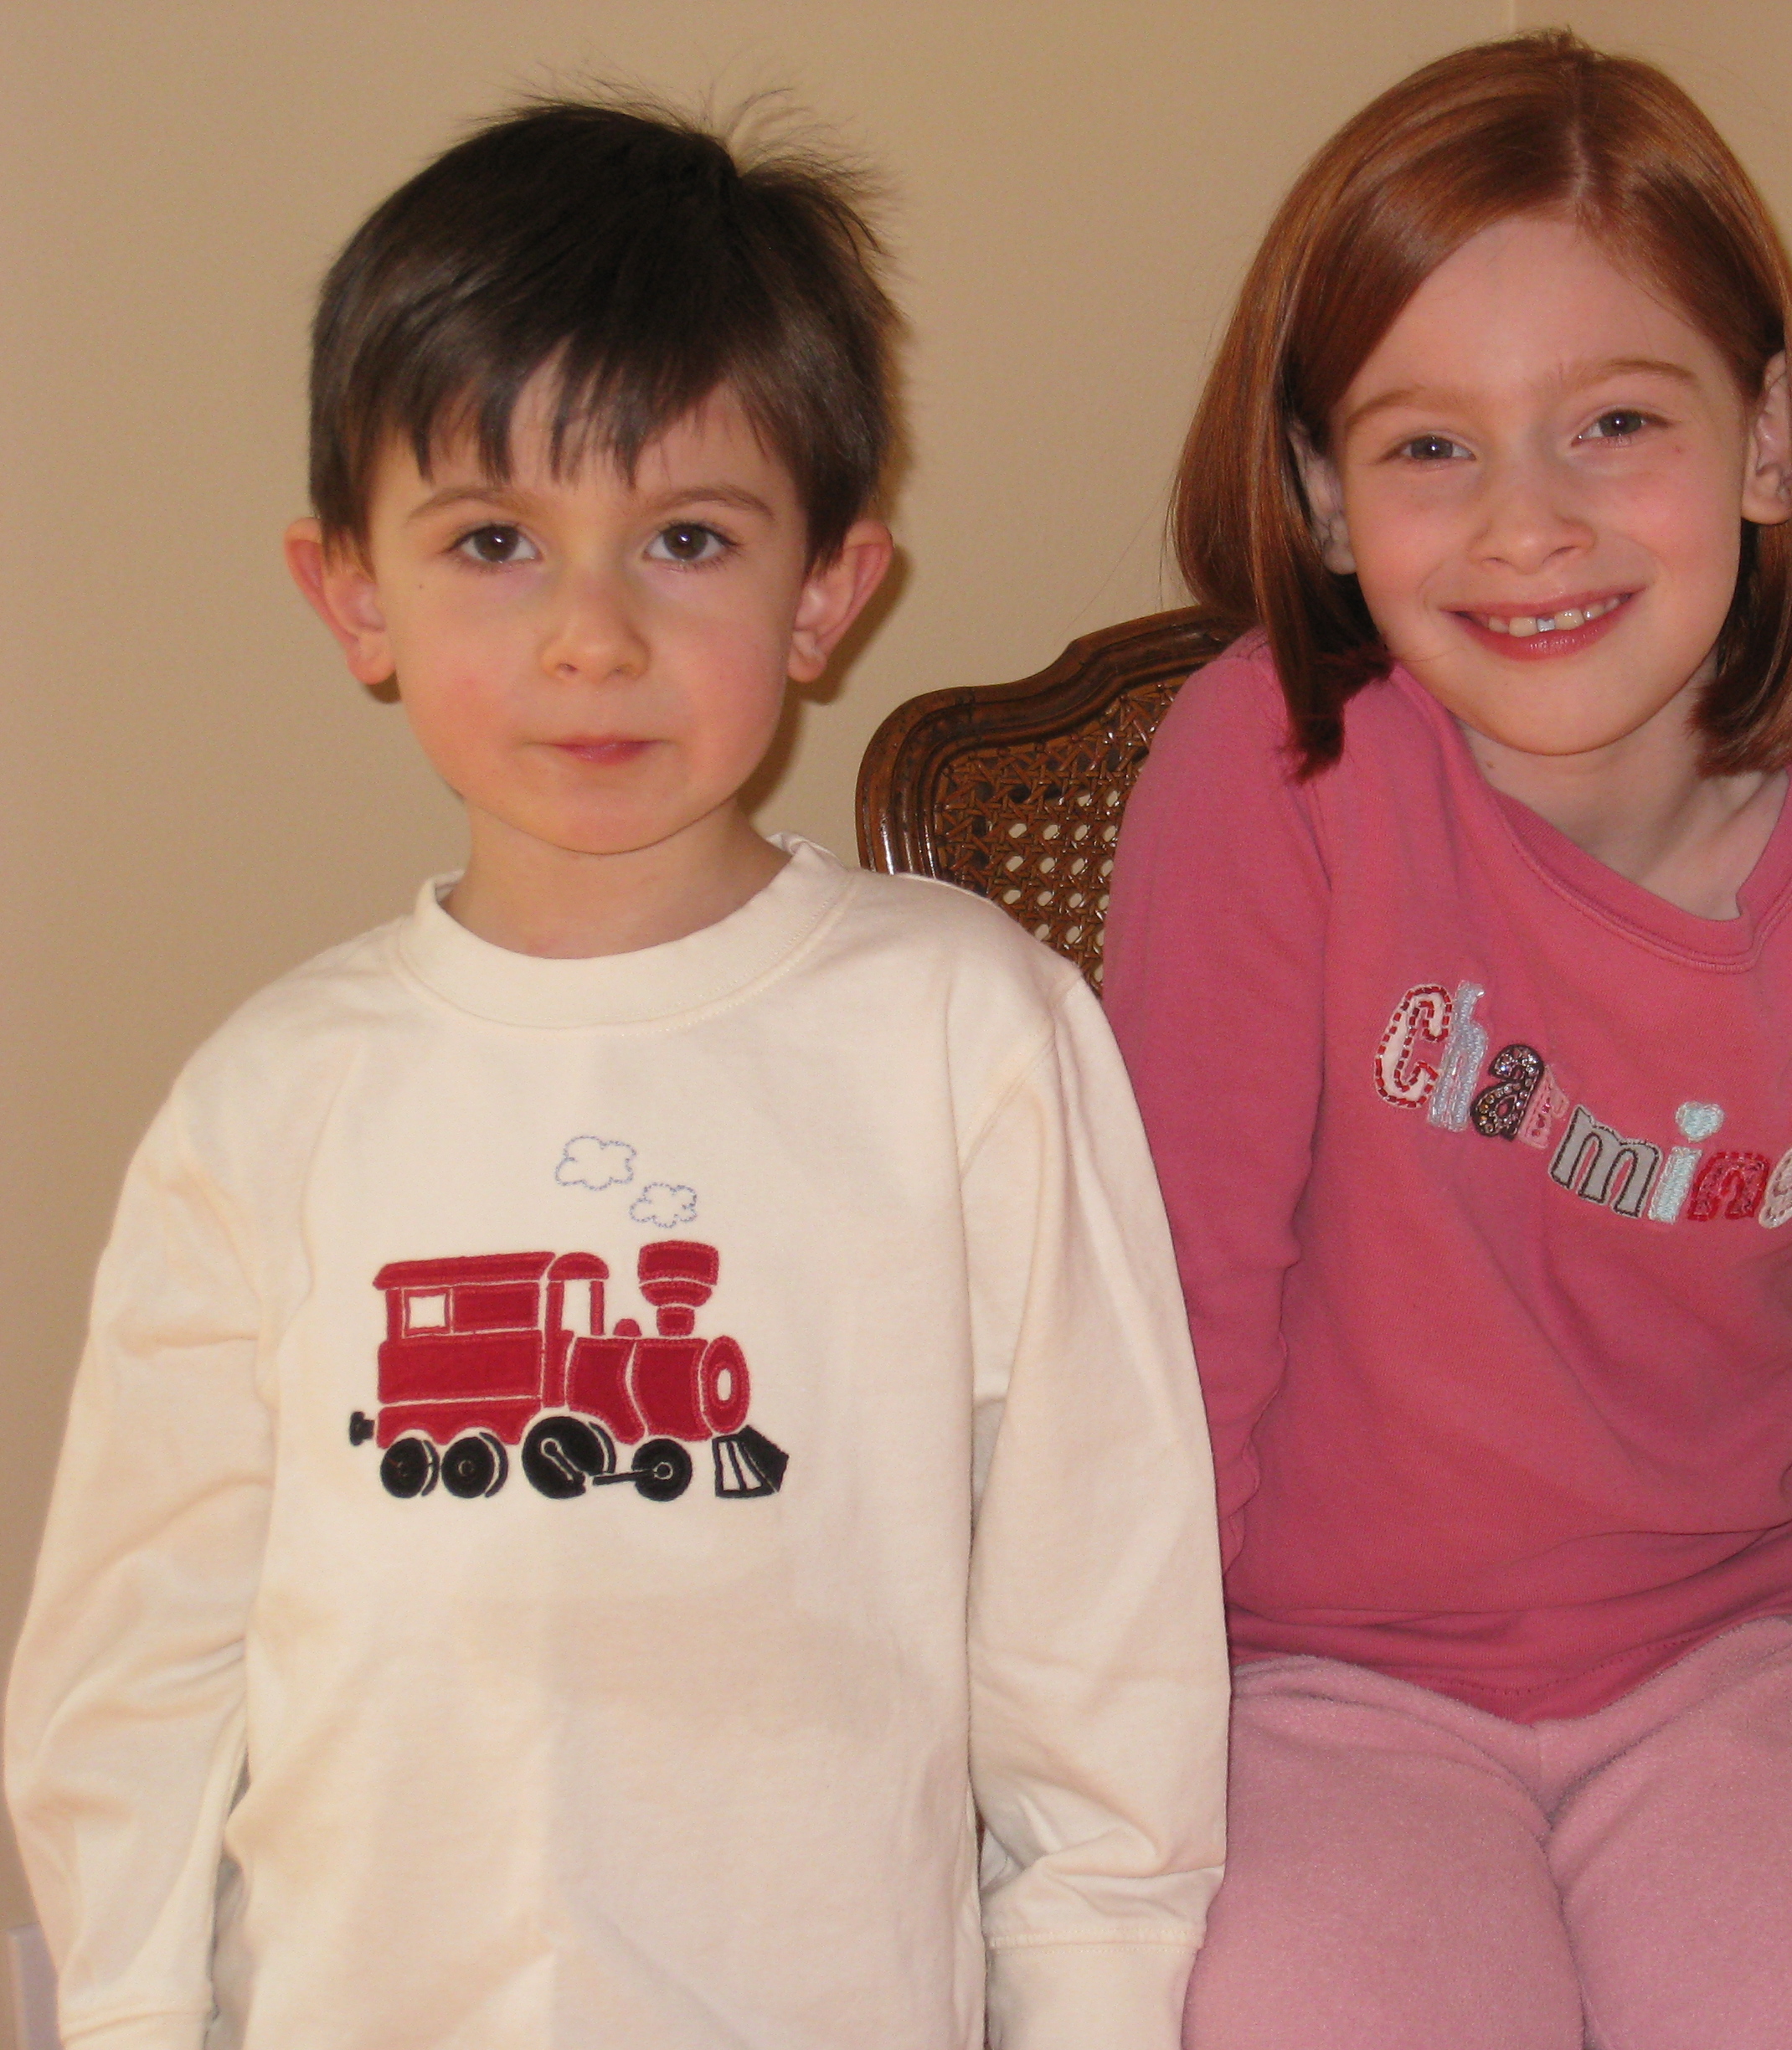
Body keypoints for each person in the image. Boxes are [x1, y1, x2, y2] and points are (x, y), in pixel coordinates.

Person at [3, 98, 1227, 2050]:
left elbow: (1100, 1639)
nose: (593, 636)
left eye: (687, 539)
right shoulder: (271, 1100)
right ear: (354, 594)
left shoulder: (965, 1037)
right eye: (495, 541)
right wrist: (132, 2016)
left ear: (825, 591)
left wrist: (1092, 2008)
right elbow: (133, 1668)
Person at [1105, 31, 1792, 2050]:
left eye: (1612, 421)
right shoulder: (1274, 770)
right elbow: (1163, 1355)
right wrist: (1100, 1847)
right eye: (1430, 447)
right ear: (1324, 499)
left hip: (1737, 1677)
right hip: (1304, 1682)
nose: (1529, 524)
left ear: (1764, 442)